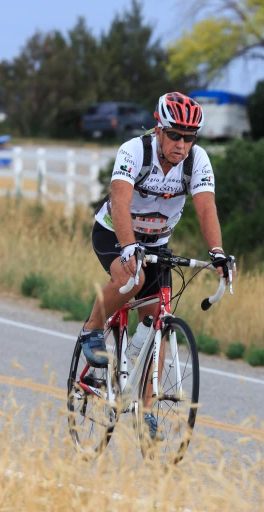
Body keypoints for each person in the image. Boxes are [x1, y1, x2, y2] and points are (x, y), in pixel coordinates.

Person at [81, 91, 236, 438]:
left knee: (157, 322)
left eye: (190, 137)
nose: (182, 144)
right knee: (133, 280)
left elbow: (205, 208)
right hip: (114, 234)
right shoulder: (135, 151)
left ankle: (145, 411)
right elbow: (120, 202)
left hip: (157, 242)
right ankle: (92, 328)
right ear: (159, 129)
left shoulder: (197, 162)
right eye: (176, 135)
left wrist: (218, 253)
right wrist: (128, 246)